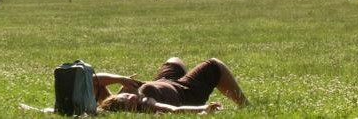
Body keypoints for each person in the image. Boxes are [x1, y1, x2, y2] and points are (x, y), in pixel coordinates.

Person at [94, 57, 249, 114]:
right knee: (214, 65)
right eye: (131, 101)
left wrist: (120, 80)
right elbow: (175, 110)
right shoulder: (147, 103)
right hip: (185, 91)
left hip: (165, 81)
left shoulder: (111, 103)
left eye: (126, 95)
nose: (132, 96)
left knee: (174, 61)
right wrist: (203, 108)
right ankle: (245, 105)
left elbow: (94, 80)